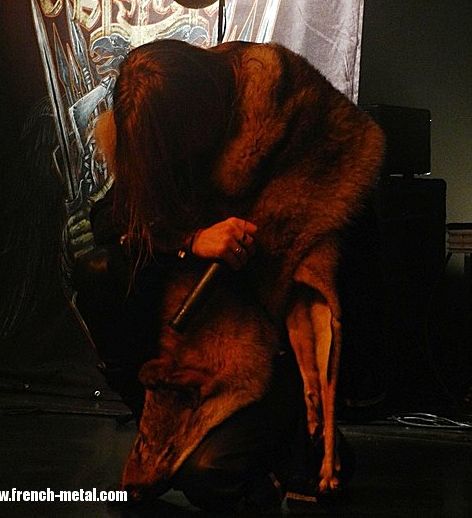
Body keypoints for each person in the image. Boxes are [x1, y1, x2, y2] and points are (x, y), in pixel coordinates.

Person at [74, 38, 381, 512]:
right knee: (99, 270)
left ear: (200, 121)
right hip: (199, 328)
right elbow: (109, 217)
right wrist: (192, 239)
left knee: (208, 477)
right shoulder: (168, 123)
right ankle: (165, 424)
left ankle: (299, 440)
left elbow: (340, 280)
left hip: (271, 337)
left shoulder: (295, 115)